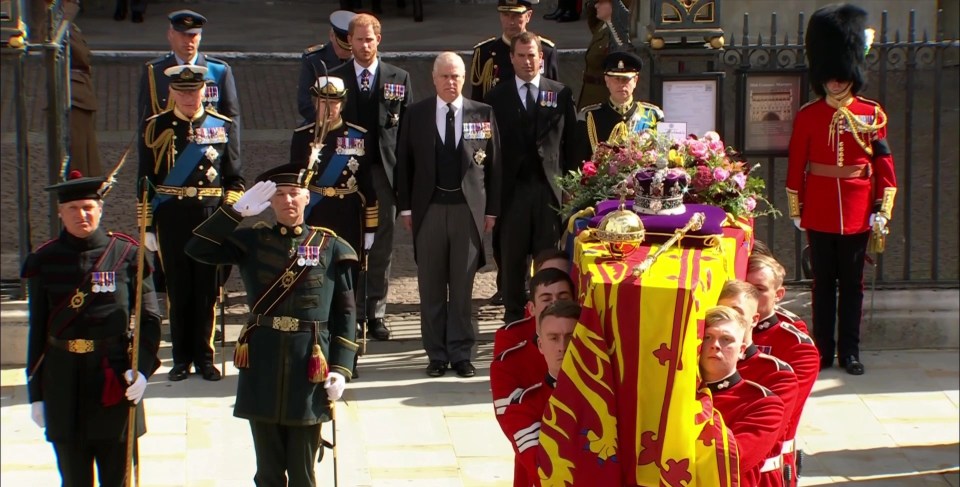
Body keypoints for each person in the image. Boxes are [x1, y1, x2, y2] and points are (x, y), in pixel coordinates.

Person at [185, 169, 358, 487]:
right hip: (262, 362)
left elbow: (345, 313)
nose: (288, 200)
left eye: (294, 193)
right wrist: (234, 212)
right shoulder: (252, 239)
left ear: (308, 197)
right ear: (268, 201)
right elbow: (197, 248)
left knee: (303, 473)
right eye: (279, 194)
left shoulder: (330, 246)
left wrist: (342, 368)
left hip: (309, 364)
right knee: (267, 472)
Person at [23, 173, 162, 486]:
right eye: (72, 208)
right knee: (73, 480)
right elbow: (37, 330)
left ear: (100, 209)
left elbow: (150, 319)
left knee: (118, 477)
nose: (80, 214)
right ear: (60, 213)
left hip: (113, 376)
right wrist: (36, 394)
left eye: (87, 207)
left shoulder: (127, 255)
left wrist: (141, 369)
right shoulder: (44, 260)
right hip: (62, 382)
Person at [786, 3, 896, 377]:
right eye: (829, 75)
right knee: (822, 285)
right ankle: (822, 351)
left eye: (841, 74)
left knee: (852, 285)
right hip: (817, 207)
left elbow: (883, 164)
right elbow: (796, 163)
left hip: (858, 210)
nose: (835, 81)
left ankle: (850, 351)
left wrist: (883, 207)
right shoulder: (808, 115)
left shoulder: (871, 114)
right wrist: (796, 206)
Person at [396, 52, 501, 379]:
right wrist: (406, 207)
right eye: (445, 76)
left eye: (456, 76)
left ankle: (460, 353)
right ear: (434, 78)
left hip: (466, 212)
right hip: (428, 210)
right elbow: (404, 164)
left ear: (464, 77)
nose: (450, 82)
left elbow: (495, 165)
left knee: (462, 286)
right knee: (430, 285)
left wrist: (492, 210)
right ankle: (436, 354)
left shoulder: (481, 113)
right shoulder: (416, 114)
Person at [138, 64, 244, 382]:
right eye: (181, 91)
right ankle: (181, 358)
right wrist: (146, 226)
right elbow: (145, 180)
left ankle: (205, 356)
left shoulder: (221, 125)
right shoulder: (156, 127)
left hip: (208, 217)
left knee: (207, 289)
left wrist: (226, 220)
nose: (187, 97)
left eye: (193, 90)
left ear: (204, 91)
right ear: (171, 91)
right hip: (171, 217)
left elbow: (234, 180)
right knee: (178, 288)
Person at [484, 31, 578, 324]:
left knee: (548, 257)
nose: (527, 62)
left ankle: (549, 315)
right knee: (511, 259)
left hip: (548, 191)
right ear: (511, 59)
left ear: (542, 58)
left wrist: (571, 189)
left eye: (532, 56)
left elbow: (572, 145)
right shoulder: (496, 97)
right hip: (511, 192)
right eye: (521, 56)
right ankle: (513, 317)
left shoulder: (560, 93)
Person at [330, 13, 412, 341]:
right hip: (346, 177)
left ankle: (376, 312)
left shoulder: (399, 77)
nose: (364, 45)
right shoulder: (335, 79)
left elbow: (406, 131)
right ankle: (349, 310)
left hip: (384, 176)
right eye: (358, 39)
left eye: (370, 39)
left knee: (381, 247)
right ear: (349, 41)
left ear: (380, 40)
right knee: (348, 243)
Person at [492, 269, 574, 487]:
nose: (562, 347)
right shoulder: (514, 361)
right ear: (532, 308)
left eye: (563, 297)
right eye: (546, 299)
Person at [290, 75, 378, 268]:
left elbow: (367, 184)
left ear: (342, 104)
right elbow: (294, 183)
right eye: (323, 103)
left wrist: (370, 228)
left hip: (347, 214)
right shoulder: (302, 136)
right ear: (315, 103)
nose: (329, 108)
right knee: (313, 270)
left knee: (346, 272)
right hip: (314, 214)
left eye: (334, 103)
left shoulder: (359, 136)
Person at [718, 280, 800, 486]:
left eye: (736, 312)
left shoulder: (777, 375)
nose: (727, 319)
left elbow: (748, 451)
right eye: (721, 311)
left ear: (753, 319)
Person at [746, 254, 820, 483]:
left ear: (778, 295)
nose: (750, 297)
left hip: (764, 469)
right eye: (745, 288)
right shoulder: (723, 333)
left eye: (759, 289)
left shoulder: (794, 345)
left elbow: (776, 421)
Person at [701, 306, 786, 487]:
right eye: (707, 337)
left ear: (741, 350)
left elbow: (732, 459)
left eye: (726, 339)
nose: (715, 344)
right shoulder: (676, 392)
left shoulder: (765, 404)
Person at [137, 10, 241, 133]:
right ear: (170, 35)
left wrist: (233, 151)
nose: (188, 41)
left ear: (200, 36)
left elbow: (232, 118)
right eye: (182, 35)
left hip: (208, 148)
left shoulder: (219, 70)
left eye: (193, 35)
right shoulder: (154, 71)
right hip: (168, 146)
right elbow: (145, 122)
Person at [576, 50, 663, 162]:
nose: (621, 84)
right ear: (607, 81)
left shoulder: (653, 115)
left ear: (635, 80)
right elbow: (578, 161)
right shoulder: (589, 116)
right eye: (616, 79)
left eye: (626, 79)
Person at [470, 0, 559, 104]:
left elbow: (553, 93)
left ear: (528, 16)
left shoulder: (546, 51)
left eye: (516, 15)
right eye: (505, 15)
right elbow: (477, 104)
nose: (510, 22)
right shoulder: (485, 52)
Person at [297, 10, 356, 125]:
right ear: (332, 36)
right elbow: (305, 102)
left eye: (351, 49)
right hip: (321, 124)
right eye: (343, 48)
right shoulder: (314, 59)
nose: (348, 53)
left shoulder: (362, 59)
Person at [66, 0, 102, 177]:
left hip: (80, 94)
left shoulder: (69, 26)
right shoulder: (60, 24)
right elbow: (81, 56)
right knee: (78, 153)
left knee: (86, 149)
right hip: (73, 95)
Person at [578, 0, 635, 109]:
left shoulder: (619, 33)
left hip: (605, 98)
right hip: (589, 95)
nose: (596, 5)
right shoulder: (602, 26)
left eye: (601, 2)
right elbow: (591, 11)